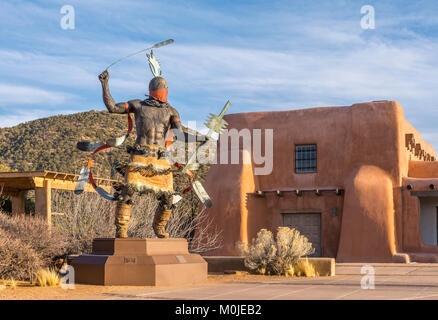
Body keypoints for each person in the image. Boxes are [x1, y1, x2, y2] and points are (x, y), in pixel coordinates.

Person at [98, 70, 206, 238]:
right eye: (163, 88)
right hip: (140, 156)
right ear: (157, 90)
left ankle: (159, 228)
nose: (165, 91)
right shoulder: (138, 105)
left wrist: (199, 138)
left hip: (161, 159)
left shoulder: (171, 111)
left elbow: (179, 134)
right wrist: (105, 85)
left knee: (167, 197)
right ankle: (121, 229)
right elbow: (113, 107)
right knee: (128, 192)